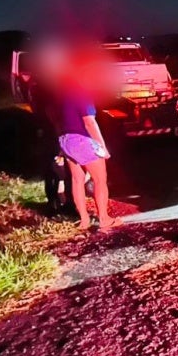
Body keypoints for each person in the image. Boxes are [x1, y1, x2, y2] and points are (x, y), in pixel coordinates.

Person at [46, 47, 122, 232]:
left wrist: (61, 146)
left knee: (77, 179)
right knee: (100, 180)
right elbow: (89, 123)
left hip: (66, 140)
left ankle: (84, 221)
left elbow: (56, 119)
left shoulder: (63, 95)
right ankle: (104, 219)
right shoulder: (84, 94)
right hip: (82, 140)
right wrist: (103, 148)